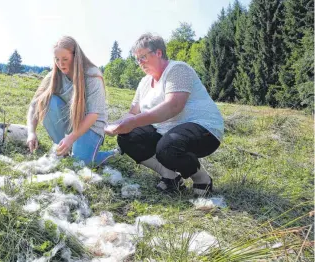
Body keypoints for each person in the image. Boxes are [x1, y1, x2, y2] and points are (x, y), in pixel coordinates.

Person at [105, 33, 224, 196]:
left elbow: (173, 106)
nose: (140, 63)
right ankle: (171, 177)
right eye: (137, 59)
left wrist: (132, 122)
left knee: (167, 148)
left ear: (158, 52)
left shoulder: (177, 69)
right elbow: (133, 112)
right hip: (166, 132)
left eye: (143, 57)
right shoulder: (144, 82)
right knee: (128, 137)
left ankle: (202, 179)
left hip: (204, 129)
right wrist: (112, 125)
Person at [26, 36, 116, 166]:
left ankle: (111, 154)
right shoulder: (54, 76)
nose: (60, 64)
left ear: (75, 57)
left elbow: (93, 115)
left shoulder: (92, 75)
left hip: (91, 126)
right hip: (70, 122)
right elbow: (34, 105)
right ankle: (65, 147)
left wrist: (71, 137)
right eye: (57, 59)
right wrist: (31, 133)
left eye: (65, 59)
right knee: (47, 100)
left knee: (80, 162)